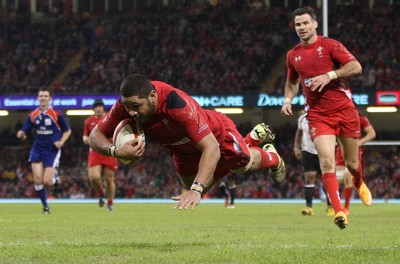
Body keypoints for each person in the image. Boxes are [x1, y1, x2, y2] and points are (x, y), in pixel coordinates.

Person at [89, 74, 285, 210]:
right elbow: (94, 136)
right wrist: (115, 151)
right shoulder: (125, 105)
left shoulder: (178, 106)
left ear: (152, 96)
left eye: (136, 106)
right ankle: (241, 148)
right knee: (194, 183)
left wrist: (196, 191)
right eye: (127, 106)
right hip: (182, 151)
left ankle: (270, 155)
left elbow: (210, 147)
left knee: (241, 165)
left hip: (215, 136)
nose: (131, 112)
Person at [280, 6, 372, 229]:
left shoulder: (329, 45)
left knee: (351, 163)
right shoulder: (293, 55)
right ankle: (339, 212)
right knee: (327, 163)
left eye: (305, 23)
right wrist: (287, 100)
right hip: (318, 115)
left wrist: (329, 75)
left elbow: (356, 66)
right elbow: (292, 82)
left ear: (314, 24)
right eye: (298, 24)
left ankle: (358, 182)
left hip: (344, 110)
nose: (301, 27)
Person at [16, 88, 71, 214]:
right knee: (37, 179)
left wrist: (61, 142)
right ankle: (45, 207)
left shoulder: (56, 114)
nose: (43, 98)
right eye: (41, 96)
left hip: (52, 150)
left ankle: (55, 178)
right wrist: (21, 134)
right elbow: (25, 131)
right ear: (38, 98)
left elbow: (67, 131)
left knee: (47, 182)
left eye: (46, 96)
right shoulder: (33, 115)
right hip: (37, 148)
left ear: (50, 98)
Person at [294, 110, 333, 216]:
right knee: (309, 177)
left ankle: (330, 207)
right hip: (308, 152)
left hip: (323, 151)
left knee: (326, 179)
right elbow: (299, 133)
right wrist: (296, 147)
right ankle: (309, 207)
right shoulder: (302, 118)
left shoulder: (325, 116)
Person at [335, 113, 376, 216]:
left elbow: (372, 133)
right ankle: (334, 206)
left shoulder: (360, 118)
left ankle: (346, 208)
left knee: (348, 176)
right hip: (340, 150)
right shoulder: (337, 116)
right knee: (337, 180)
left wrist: (359, 142)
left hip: (354, 151)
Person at [83, 99, 118, 211]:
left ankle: (110, 203)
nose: (98, 108)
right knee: (94, 178)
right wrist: (87, 140)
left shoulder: (110, 117)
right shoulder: (89, 121)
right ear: (94, 109)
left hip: (109, 150)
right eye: (96, 107)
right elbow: (85, 136)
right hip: (95, 151)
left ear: (103, 108)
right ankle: (101, 193)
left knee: (109, 179)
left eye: (100, 106)